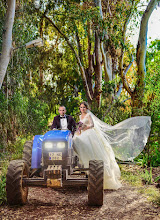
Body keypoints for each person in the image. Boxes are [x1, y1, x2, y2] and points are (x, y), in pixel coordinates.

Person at [73, 101, 151, 190]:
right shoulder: (80, 116)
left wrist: (84, 127)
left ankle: (96, 173)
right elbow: (79, 126)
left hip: (89, 133)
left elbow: (92, 125)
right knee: (75, 141)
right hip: (83, 133)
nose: (82, 109)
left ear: (87, 108)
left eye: (84, 107)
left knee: (92, 150)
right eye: (81, 107)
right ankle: (80, 164)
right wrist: (79, 129)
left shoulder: (88, 115)